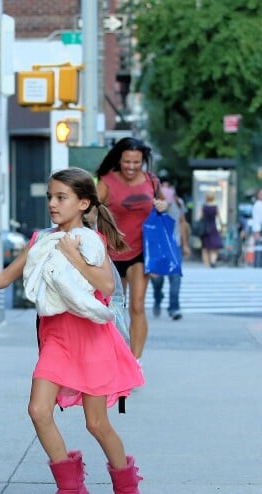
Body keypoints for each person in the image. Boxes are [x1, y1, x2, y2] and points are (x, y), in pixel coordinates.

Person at [0, 168, 145, 494]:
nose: (53, 204)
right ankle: (70, 487)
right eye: (50, 197)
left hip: (91, 340)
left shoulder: (91, 241)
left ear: (84, 203)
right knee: (38, 410)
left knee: (97, 423)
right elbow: (3, 277)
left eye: (61, 197)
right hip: (57, 340)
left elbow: (106, 286)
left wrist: (73, 256)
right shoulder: (40, 240)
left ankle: (127, 488)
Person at [95, 138, 167, 363]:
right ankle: (116, 355)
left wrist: (162, 206)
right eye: (127, 161)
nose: (131, 166)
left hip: (139, 251)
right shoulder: (106, 182)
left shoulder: (151, 181)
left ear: (143, 161)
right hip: (111, 253)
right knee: (115, 307)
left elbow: (163, 204)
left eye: (136, 162)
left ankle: (135, 362)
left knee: (137, 305)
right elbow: (89, 210)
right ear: (119, 159)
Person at [151, 183, 191, 320]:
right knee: (157, 280)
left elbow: (182, 223)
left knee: (175, 278)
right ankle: (157, 296)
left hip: (175, 246)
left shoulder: (178, 203)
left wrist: (185, 245)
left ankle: (174, 308)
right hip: (157, 247)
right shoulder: (152, 207)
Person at [199, 192, 223, 268]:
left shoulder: (203, 207)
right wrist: (222, 227)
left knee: (205, 247)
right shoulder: (215, 207)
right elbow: (219, 219)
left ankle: (207, 264)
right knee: (214, 246)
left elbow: (200, 218)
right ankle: (213, 261)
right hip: (213, 227)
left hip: (205, 228)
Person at [251, 188, 262, 268]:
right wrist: (257, 232)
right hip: (260, 229)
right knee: (259, 248)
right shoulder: (258, 205)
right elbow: (256, 219)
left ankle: (261, 264)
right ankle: (257, 265)